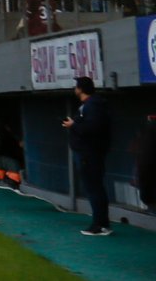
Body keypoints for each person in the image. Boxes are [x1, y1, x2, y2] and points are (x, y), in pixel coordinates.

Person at [61, 75, 112, 236]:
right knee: (95, 188)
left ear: (81, 89)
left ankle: (99, 224)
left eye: (76, 86)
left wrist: (73, 125)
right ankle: (101, 222)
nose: (75, 89)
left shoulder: (92, 107)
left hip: (88, 154)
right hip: (90, 153)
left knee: (94, 188)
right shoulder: (91, 106)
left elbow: (91, 129)